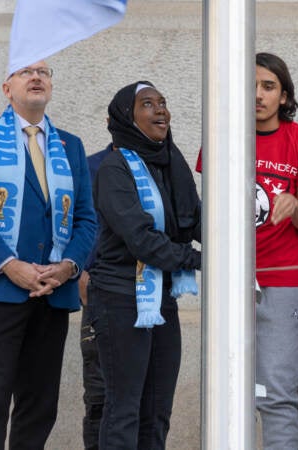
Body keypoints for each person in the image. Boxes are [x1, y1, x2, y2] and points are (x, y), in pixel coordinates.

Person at [0, 60, 97, 449]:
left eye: (44, 72)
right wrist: (10, 265)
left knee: (40, 406)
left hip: (52, 293)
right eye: (25, 72)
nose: (36, 77)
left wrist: (67, 267)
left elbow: (87, 219)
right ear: (7, 88)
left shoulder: (71, 145)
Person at [195, 52, 298, 449]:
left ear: (284, 96)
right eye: (250, 85)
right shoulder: (221, 135)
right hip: (228, 281)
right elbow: (208, 215)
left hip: (282, 282)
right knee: (226, 395)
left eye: (268, 86)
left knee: (278, 396)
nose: (258, 95)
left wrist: (293, 206)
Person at [88, 81, 201, 449]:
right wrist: (201, 260)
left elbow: (195, 221)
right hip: (120, 299)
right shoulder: (114, 169)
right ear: (126, 116)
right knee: (124, 410)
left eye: (163, 103)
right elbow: (141, 239)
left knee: (157, 411)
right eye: (147, 104)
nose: (160, 111)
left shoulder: (171, 165)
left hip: (162, 299)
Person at [78, 143, 113, 450]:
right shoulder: (91, 167)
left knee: (148, 402)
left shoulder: (166, 166)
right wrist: (81, 271)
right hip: (101, 294)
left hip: (150, 297)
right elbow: (79, 222)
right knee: (100, 399)